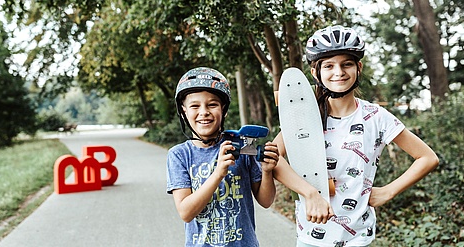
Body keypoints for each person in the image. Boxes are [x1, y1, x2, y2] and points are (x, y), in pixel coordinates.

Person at [272, 25, 439, 247]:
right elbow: (272, 158)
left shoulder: (376, 116)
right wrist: (309, 193)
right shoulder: (305, 116)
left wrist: (388, 192)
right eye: (329, 65)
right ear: (315, 72)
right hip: (311, 237)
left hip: (358, 238)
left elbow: (428, 158)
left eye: (346, 64)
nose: (338, 72)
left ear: (358, 67)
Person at [166, 67, 280, 246]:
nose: (204, 111)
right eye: (195, 106)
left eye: (212, 104)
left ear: (224, 109)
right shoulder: (179, 155)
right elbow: (186, 212)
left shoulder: (241, 145)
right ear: (183, 111)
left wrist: (267, 171)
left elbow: (265, 201)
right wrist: (218, 173)